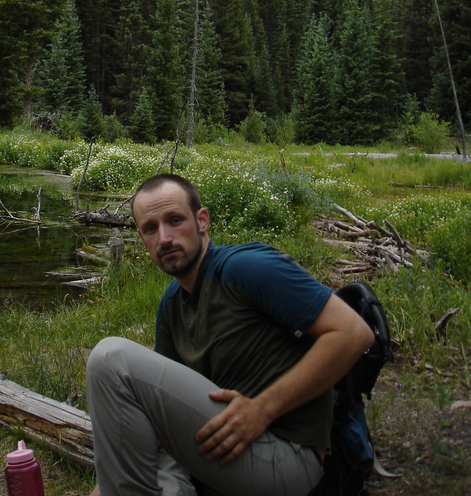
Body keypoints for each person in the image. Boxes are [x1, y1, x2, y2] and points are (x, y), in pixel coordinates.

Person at [85, 173, 375, 496]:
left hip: (287, 456)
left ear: (202, 221)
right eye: (151, 228)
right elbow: (152, 408)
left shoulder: (246, 268)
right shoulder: (171, 305)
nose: (164, 237)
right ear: (141, 238)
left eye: (175, 220)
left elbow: (353, 333)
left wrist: (262, 409)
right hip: (225, 448)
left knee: (109, 359)